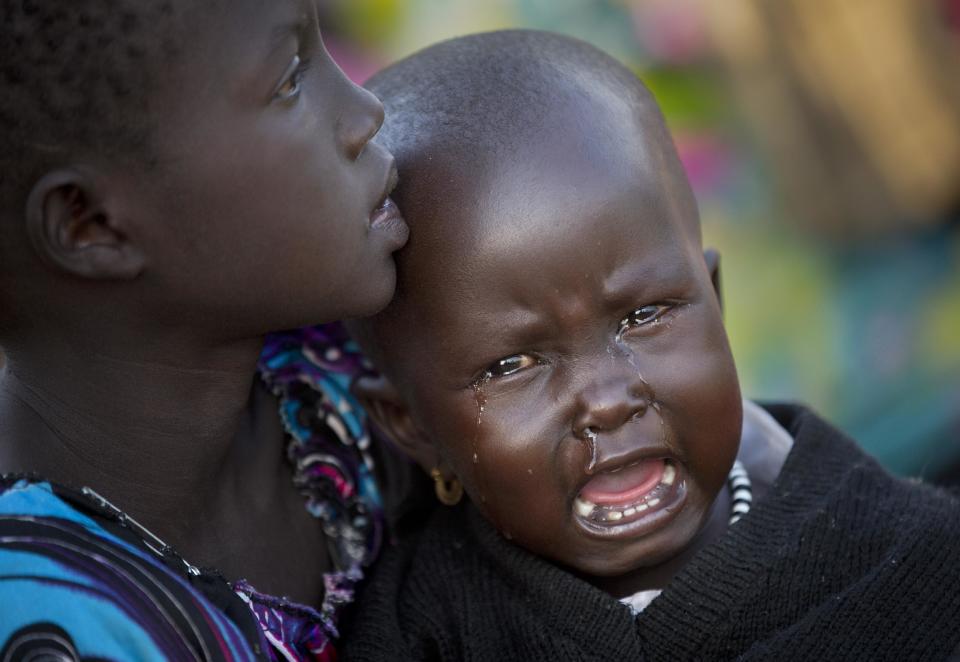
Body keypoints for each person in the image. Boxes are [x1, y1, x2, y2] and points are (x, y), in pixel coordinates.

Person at [340, 30, 960, 661]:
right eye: (511, 365)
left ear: (714, 298)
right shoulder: (418, 634)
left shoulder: (916, 564)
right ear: (408, 423)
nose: (607, 402)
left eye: (643, 316)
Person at [0, 1, 408, 659]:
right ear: (90, 224)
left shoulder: (357, 356)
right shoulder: (42, 621)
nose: (367, 112)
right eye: (290, 79)